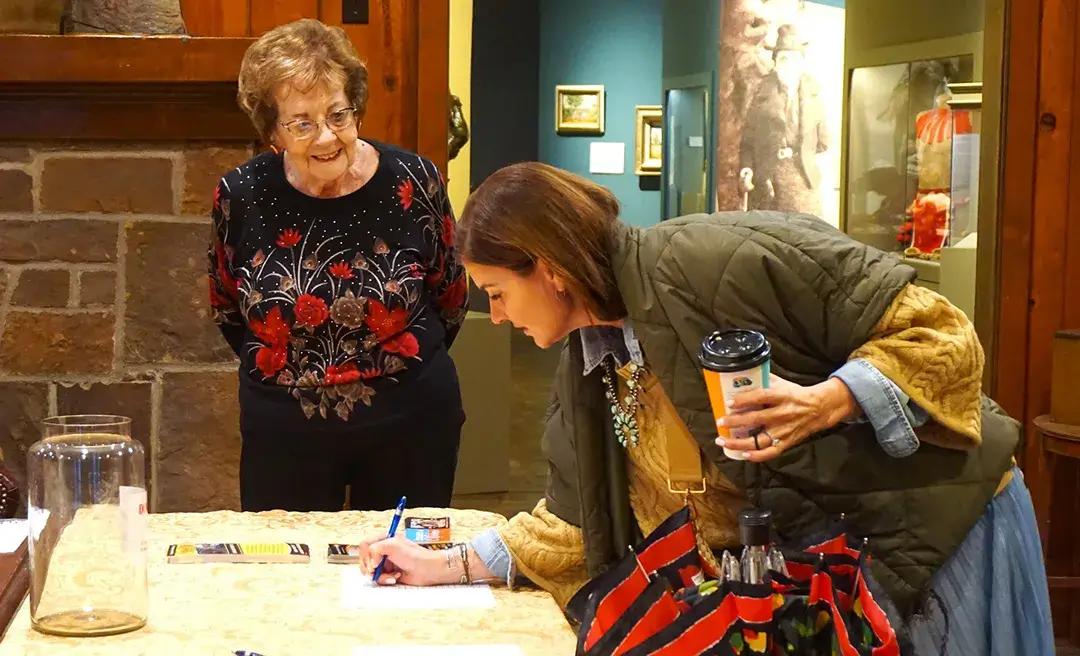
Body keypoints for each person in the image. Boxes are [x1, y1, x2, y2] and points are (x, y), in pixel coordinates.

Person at [356, 162, 1053, 654]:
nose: (497, 316)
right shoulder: (593, 360)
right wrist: (444, 563)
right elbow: (577, 521)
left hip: (946, 529)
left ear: (550, 269)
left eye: (498, 291)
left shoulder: (719, 258)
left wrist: (831, 400)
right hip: (835, 575)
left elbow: (939, 330)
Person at [206, 19, 469, 513]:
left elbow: (450, 294)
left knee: (402, 577)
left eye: (338, 114)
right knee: (289, 578)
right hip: (283, 429)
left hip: (410, 420)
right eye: (302, 122)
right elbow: (226, 306)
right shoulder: (240, 194)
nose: (326, 136)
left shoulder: (414, 179)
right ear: (272, 131)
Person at [739, 23, 829, 216]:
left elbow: (823, 143)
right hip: (767, 182)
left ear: (802, 64)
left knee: (805, 236)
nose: (789, 65)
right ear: (775, 63)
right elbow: (747, 142)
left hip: (803, 182)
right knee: (767, 238)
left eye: (794, 59)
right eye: (783, 59)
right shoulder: (760, 96)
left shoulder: (815, 97)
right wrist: (747, 168)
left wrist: (798, 153)